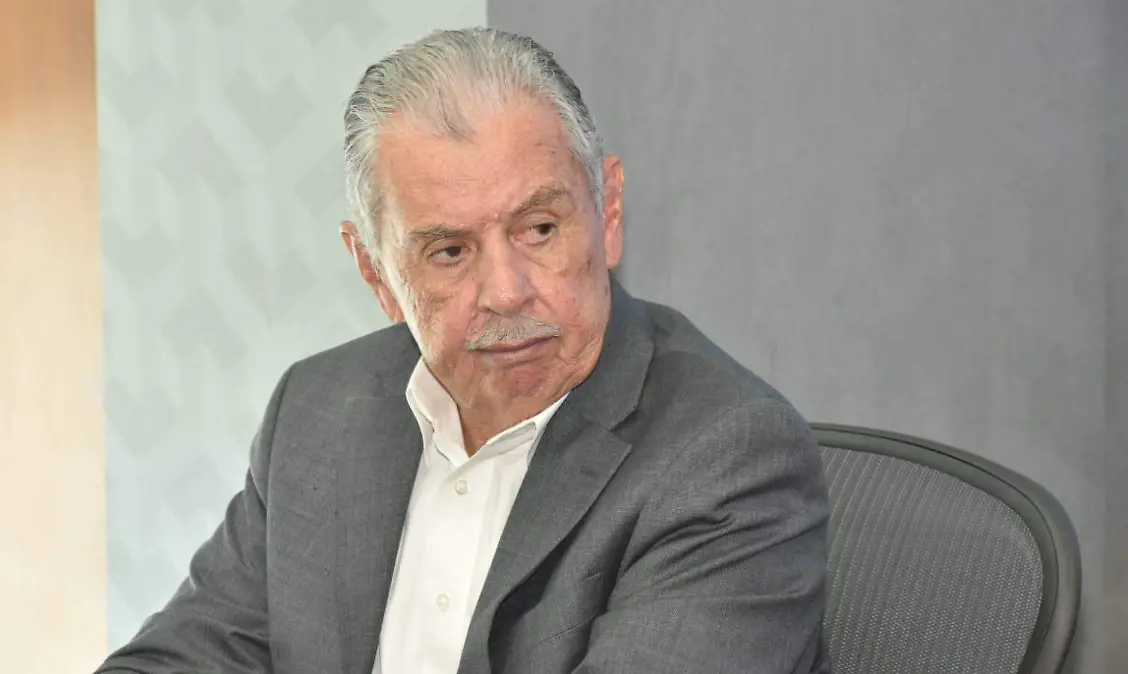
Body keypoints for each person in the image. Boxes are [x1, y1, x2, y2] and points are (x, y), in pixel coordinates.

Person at [96, 27, 831, 674]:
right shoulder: (317, 411)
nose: (507, 291)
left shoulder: (726, 456)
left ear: (608, 212)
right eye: (449, 251)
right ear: (377, 275)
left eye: (539, 229)